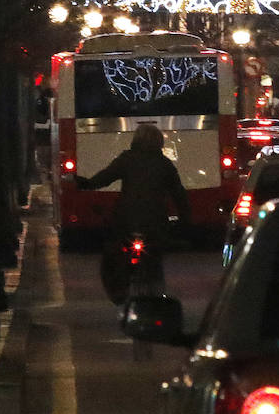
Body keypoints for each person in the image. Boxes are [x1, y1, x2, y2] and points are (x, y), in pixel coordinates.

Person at [76, 124, 192, 296]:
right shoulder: (164, 164)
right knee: (154, 257)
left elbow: (105, 177)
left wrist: (86, 183)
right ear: (159, 142)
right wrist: (185, 220)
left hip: (126, 220)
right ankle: (156, 293)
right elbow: (178, 193)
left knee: (117, 250)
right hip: (155, 221)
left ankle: (120, 287)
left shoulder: (127, 159)